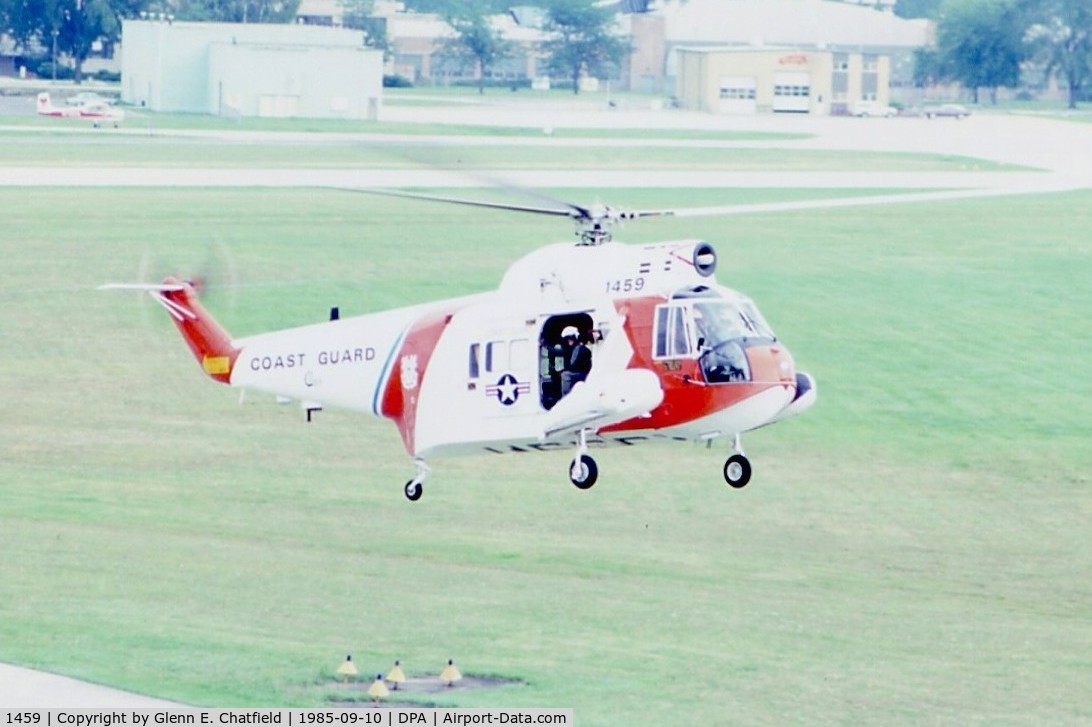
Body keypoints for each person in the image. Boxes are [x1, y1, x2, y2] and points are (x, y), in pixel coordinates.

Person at [559, 326, 592, 397]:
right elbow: (560, 352)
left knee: (565, 375)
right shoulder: (576, 348)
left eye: (570, 338)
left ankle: (566, 399)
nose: (569, 341)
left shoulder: (578, 348)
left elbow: (573, 364)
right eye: (567, 339)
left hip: (582, 373)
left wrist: (563, 370)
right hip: (582, 372)